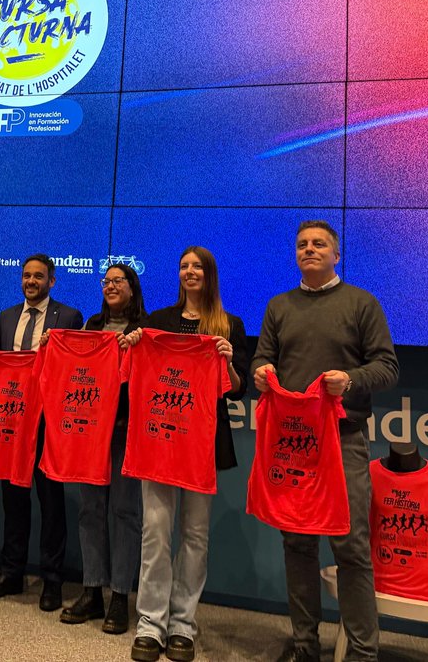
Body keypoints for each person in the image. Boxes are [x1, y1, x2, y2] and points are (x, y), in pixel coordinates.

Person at [251, 220, 399, 662]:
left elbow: (387, 368)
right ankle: (304, 646)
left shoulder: (361, 303)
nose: (309, 250)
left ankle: (362, 653)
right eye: (302, 245)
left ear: (337, 254)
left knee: (350, 546)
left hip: (343, 440)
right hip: (293, 446)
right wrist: (261, 373)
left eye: (319, 244)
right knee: (296, 545)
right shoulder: (279, 305)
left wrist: (350, 379)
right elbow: (263, 356)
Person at [125, 246, 245, 662]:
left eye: (197, 266)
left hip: (204, 444)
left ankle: (182, 626)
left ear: (209, 274)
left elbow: (238, 387)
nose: (189, 272)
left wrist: (228, 362)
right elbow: (134, 370)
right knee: (156, 533)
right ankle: (150, 625)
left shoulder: (229, 325)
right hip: (159, 439)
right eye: (183, 266)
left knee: (195, 535)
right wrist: (134, 344)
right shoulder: (156, 321)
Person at [0, 253, 83, 612]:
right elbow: (1, 364)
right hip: (12, 422)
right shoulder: (7, 317)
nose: (31, 281)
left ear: (52, 281)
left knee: (51, 502)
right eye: (26, 276)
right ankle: (11, 573)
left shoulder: (68, 317)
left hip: (48, 422)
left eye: (38, 276)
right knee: (13, 499)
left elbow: (75, 369)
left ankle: (52, 580)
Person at [58, 263, 146, 634]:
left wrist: (137, 347)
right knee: (90, 510)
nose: (110, 286)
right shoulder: (91, 326)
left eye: (117, 281)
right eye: (105, 281)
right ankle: (92, 591)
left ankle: (121, 597)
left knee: (124, 512)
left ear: (132, 287)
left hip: (126, 430)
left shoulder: (146, 328)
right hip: (90, 431)